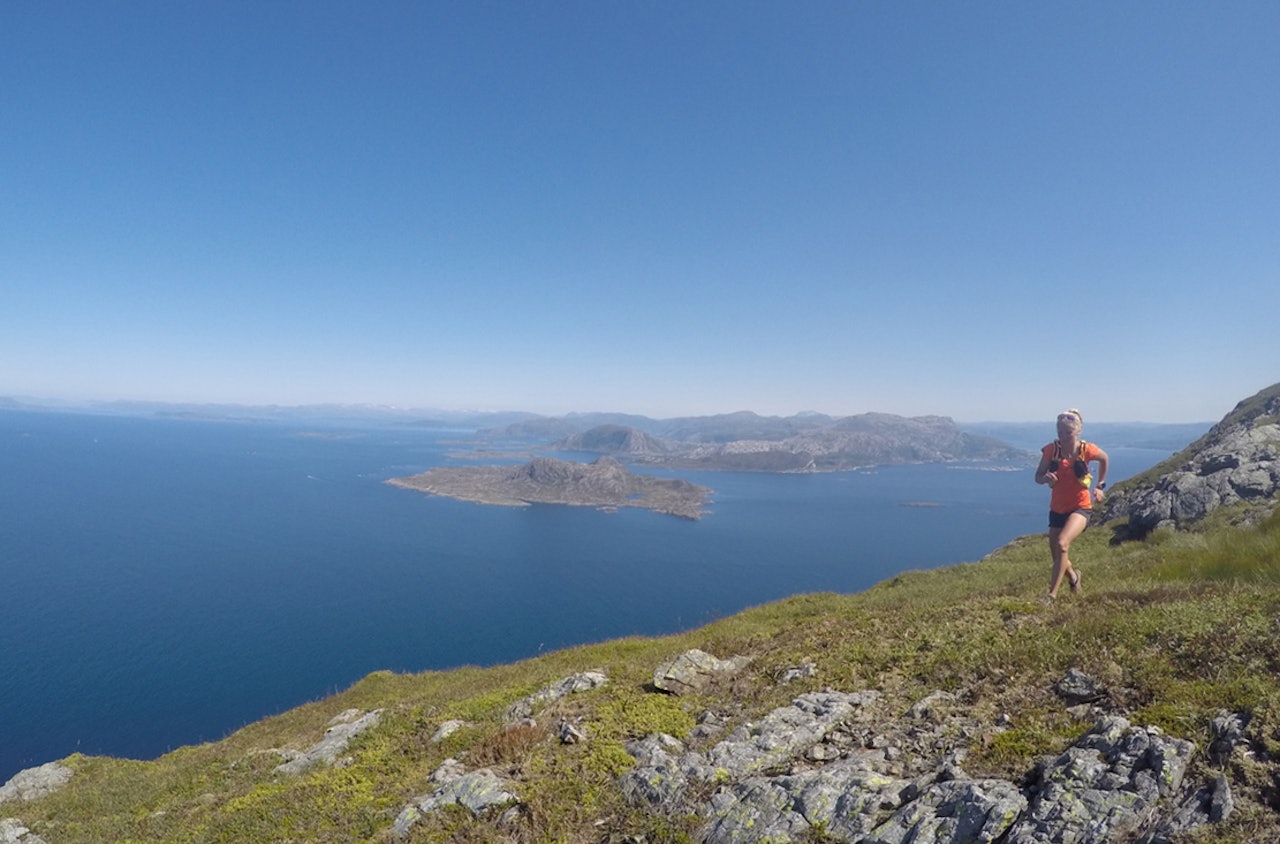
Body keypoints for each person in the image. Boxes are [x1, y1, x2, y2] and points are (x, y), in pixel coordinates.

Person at [1034, 409, 1109, 601]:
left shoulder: (1086, 450)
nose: (1064, 436)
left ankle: (1051, 596)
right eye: (1060, 432)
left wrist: (1100, 486)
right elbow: (1037, 477)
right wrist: (1045, 478)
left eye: (1068, 432)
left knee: (1062, 543)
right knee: (1058, 556)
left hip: (1080, 507)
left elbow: (1104, 459)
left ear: (1077, 431)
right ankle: (1074, 579)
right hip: (1057, 508)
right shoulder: (1051, 451)